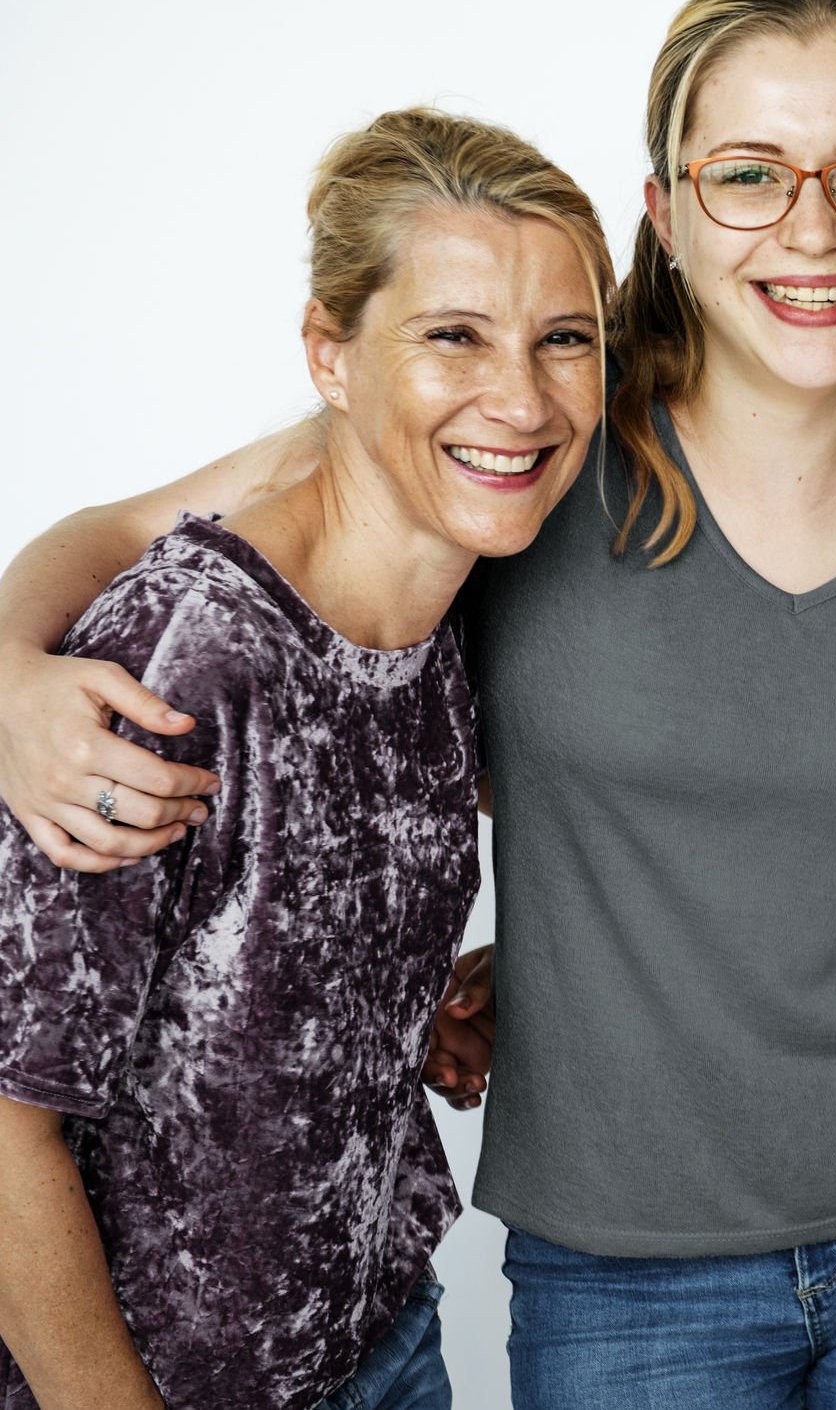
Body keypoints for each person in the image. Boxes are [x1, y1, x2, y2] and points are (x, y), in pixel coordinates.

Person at [0, 3, 836, 1404]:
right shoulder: (524, 438)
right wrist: (9, 671)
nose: (811, 228)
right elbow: (136, 534)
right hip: (623, 1254)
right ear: (666, 212)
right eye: (749, 171)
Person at [0, 108, 610, 1410]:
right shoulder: (180, 657)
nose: (521, 395)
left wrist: (398, 1002)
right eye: (453, 334)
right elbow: (4, 1121)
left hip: (377, 1335)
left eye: (564, 338)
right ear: (332, 354)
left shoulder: (462, 588)